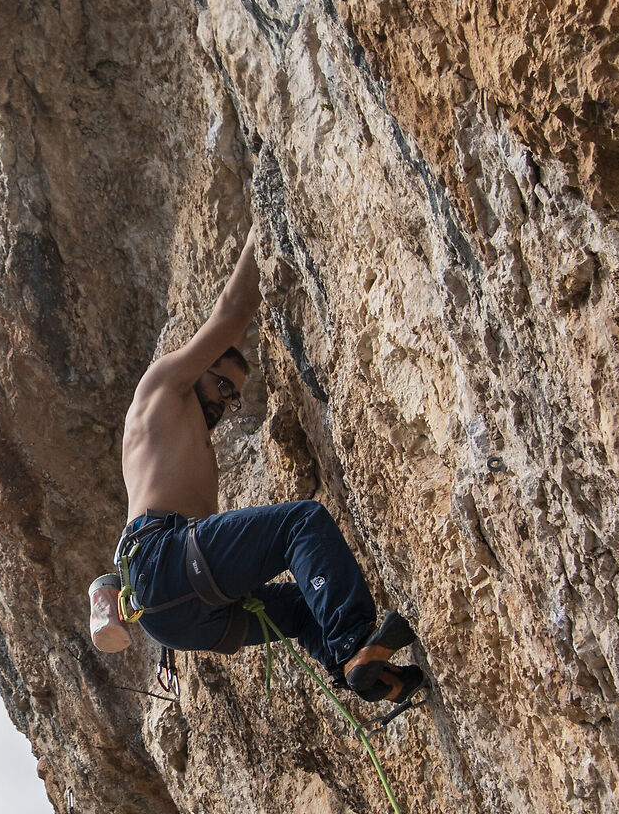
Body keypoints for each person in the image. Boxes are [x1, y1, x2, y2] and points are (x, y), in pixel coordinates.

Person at [113, 235, 425, 707]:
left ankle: (360, 672)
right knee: (300, 524)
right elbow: (234, 311)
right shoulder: (162, 386)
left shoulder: (185, 442)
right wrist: (263, 225)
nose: (226, 402)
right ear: (193, 369)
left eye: (235, 396)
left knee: (302, 612)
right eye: (221, 384)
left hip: (178, 615)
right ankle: (353, 643)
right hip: (160, 560)